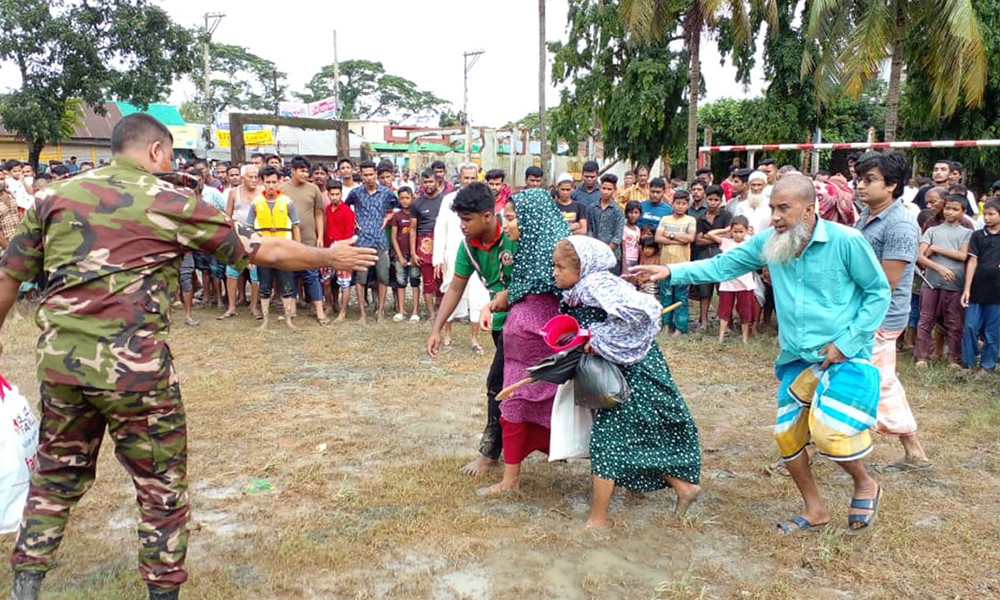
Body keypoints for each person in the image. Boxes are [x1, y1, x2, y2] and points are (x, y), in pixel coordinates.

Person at [0, 113, 375, 600]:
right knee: (160, 483)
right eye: (171, 153)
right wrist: (330, 257)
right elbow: (265, 252)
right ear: (157, 152)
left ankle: (27, 582)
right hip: (135, 370)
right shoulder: (171, 200)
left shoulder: (53, 197)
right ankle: (162, 592)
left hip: (62, 365)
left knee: (55, 473)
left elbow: (10, 276)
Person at [634, 174, 891, 535]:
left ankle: (865, 483)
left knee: (830, 435)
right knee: (787, 437)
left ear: (809, 210)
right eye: (772, 208)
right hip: (797, 358)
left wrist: (847, 342)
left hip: (844, 355)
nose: (775, 216)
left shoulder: (846, 241)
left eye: (783, 208)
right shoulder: (771, 241)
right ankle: (815, 509)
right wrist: (669, 270)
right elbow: (724, 265)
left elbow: (878, 292)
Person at [553, 236, 701, 527]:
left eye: (560, 266)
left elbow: (643, 313)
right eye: (553, 265)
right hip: (615, 373)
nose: (554, 272)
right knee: (630, 437)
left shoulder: (599, 286)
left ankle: (597, 520)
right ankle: (685, 488)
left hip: (635, 373)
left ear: (583, 266)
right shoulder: (578, 289)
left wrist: (600, 338)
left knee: (607, 442)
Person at [479, 188, 569, 495]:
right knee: (513, 404)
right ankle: (509, 481)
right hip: (519, 354)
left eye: (512, 219)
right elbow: (517, 291)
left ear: (533, 220)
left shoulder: (556, 257)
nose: (508, 227)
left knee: (560, 408)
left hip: (548, 351)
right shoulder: (525, 255)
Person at [427, 182, 518, 475]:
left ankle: (491, 455)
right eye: (461, 220)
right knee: (509, 384)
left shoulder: (515, 234)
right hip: (500, 323)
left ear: (489, 216)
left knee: (497, 385)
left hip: (527, 322)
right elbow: (456, 287)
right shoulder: (468, 246)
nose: (462, 226)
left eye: (467, 220)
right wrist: (436, 328)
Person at [853, 151, 931, 470]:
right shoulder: (868, 215)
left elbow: (888, 280)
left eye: (869, 180)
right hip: (864, 312)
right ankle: (914, 452)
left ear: (892, 185)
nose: (860, 185)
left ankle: (815, 444)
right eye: (859, 178)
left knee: (876, 380)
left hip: (880, 316)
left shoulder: (900, 224)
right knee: (877, 379)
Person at [432, 164, 490, 351]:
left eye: (473, 178)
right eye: (466, 178)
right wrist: (438, 257)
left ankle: (474, 339)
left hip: (478, 255)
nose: (469, 182)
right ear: (460, 178)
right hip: (453, 254)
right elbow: (440, 229)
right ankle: (446, 334)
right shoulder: (449, 200)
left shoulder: (483, 205)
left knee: (478, 297)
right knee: (451, 290)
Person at [915, 194, 971, 367]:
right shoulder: (932, 230)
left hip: (955, 285)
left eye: (955, 209)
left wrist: (936, 248)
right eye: (947, 208)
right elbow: (919, 256)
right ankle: (921, 356)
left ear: (963, 212)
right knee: (925, 319)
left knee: (954, 322)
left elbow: (963, 255)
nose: (950, 212)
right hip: (930, 283)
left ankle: (953, 357)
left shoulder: (967, 233)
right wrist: (939, 268)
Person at [248, 166, 302, 330]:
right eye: (267, 182)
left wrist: (298, 249)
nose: (271, 185)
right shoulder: (256, 203)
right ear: (261, 182)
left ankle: (288, 319)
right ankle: (265, 320)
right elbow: (249, 229)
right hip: (263, 250)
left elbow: (296, 227)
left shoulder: (287, 202)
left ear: (279, 182)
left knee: (287, 285)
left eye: (274, 182)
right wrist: (249, 254)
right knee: (264, 286)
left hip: (284, 250)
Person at [345, 160, 397, 323]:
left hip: (381, 240)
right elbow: (345, 208)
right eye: (365, 175)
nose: (368, 178)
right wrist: (353, 220)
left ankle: (380, 311)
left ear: (376, 174)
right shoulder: (356, 193)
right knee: (361, 278)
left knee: (383, 276)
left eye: (371, 175)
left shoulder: (386, 193)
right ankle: (362, 314)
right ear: (360, 175)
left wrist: (389, 216)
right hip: (362, 241)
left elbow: (398, 206)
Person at [280, 156, 327, 325]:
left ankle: (320, 312)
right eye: (302, 170)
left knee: (312, 275)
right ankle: (291, 311)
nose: (305, 174)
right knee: (290, 274)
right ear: (293, 170)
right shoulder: (282, 189)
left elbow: (319, 214)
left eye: (307, 171)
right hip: (288, 240)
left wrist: (320, 236)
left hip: (309, 239)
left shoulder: (313, 189)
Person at [961, 199, 1000, 372]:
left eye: (991, 214)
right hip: (977, 289)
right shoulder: (977, 236)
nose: (987, 218)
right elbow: (972, 261)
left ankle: (988, 366)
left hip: (997, 292)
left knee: (993, 331)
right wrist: (967, 289)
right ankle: (968, 363)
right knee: (970, 326)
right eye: (985, 214)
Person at [221, 165, 262, 320]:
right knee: (231, 273)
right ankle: (231, 307)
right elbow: (228, 215)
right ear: (243, 178)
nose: (253, 180)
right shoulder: (233, 193)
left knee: (255, 275)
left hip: (256, 238)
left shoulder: (262, 192)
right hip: (236, 237)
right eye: (250, 177)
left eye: (255, 177)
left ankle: (254, 306)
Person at [655, 191, 696, 334]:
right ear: (672, 204)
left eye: (683, 203)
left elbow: (690, 238)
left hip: (682, 265)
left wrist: (670, 235)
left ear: (687, 205)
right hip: (665, 264)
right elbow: (658, 238)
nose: (680, 206)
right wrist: (679, 238)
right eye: (677, 203)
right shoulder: (665, 219)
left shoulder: (690, 220)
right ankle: (666, 325)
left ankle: (680, 327)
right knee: (666, 295)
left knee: (681, 297)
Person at [691, 185, 731, 329]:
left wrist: (709, 235)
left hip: (722, 255)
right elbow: (698, 240)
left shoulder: (726, 216)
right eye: (710, 199)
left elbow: (729, 235)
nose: (713, 202)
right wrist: (716, 237)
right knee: (704, 290)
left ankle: (724, 321)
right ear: (705, 200)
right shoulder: (700, 218)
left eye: (716, 200)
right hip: (703, 256)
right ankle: (704, 321)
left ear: (720, 201)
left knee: (723, 290)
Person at [712, 216, 755, 342]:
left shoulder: (749, 243)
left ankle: (745, 337)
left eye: (741, 231)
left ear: (746, 231)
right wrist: (725, 230)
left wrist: (752, 234)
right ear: (731, 231)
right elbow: (710, 234)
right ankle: (721, 336)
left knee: (745, 310)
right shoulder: (726, 243)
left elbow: (761, 241)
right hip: (728, 281)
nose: (738, 234)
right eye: (735, 231)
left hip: (745, 282)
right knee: (725, 309)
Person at [412, 168, 446, 324]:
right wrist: (413, 252)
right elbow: (413, 229)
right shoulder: (417, 203)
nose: (428, 185)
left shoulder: (445, 201)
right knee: (427, 281)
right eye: (425, 182)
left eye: (431, 181)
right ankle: (431, 314)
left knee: (443, 280)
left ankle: (443, 312)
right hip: (424, 243)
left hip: (443, 242)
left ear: (437, 182)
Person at [323, 179, 357, 323]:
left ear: (341, 194)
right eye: (332, 194)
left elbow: (350, 236)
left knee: (345, 283)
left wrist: (338, 245)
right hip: (327, 249)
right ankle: (330, 305)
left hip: (343, 250)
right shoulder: (327, 209)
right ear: (328, 194)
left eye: (337, 194)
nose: (335, 197)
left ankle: (343, 311)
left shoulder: (348, 212)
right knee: (325, 280)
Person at [389, 186, 420, 322]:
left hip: (414, 255)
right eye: (402, 198)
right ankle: (401, 311)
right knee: (401, 283)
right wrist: (400, 256)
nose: (405, 201)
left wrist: (416, 254)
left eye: (407, 197)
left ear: (412, 197)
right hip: (400, 255)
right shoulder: (397, 216)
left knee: (414, 281)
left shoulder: (417, 215)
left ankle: (415, 311)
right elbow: (394, 237)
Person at [587, 173, 625, 272]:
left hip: (612, 256)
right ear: (599, 188)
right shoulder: (592, 208)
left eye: (609, 189)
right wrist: (595, 249)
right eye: (604, 188)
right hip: (594, 255)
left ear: (614, 190)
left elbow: (617, 236)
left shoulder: (618, 211)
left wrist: (605, 251)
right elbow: (590, 229)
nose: (606, 192)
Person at [621, 199, 642, 274]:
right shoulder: (623, 228)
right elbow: (623, 248)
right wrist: (624, 267)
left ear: (640, 214)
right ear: (626, 213)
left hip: (635, 259)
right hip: (626, 259)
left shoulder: (638, 230)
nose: (633, 215)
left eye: (636, 213)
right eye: (630, 212)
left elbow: (639, 247)